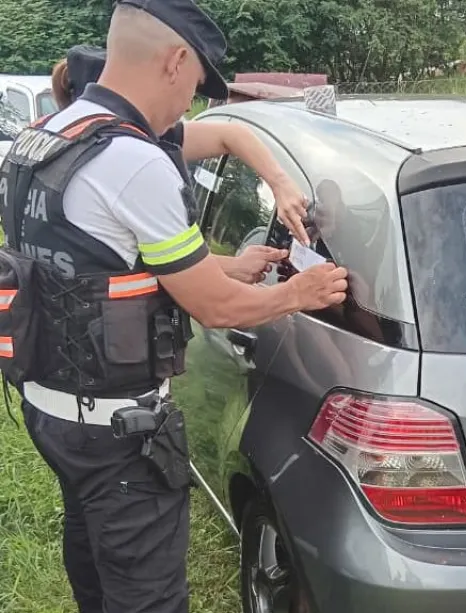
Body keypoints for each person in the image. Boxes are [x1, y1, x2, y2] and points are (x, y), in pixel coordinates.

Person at [0, 2, 347, 613]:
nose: (191, 102)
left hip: (52, 412)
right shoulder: (132, 161)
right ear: (176, 61)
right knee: (147, 597)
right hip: (118, 437)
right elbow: (215, 308)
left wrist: (276, 189)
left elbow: (94, 266)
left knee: (93, 561)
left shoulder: (52, 134)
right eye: (196, 84)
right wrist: (299, 293)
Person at [51, 43, 312, 247]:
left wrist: (281, 183)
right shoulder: (120, 158)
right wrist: (292, 291)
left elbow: (232, 134)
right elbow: (160, 269)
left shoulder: (121, 137)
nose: (186, 107)